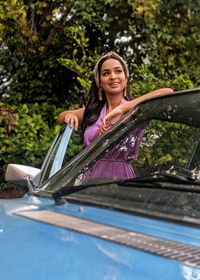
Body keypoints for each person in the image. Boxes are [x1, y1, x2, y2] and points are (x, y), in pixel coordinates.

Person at [58, 51, 173, 180]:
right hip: (88, 181)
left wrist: (123, 108)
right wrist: (70, 115)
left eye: (118, 71)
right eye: (106, 73)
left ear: (126, 78)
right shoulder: (93, 111)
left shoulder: (136, 109)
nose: (113, 76)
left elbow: (168, 92)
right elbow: (61, 116)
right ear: (99, 82)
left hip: (120, 181)